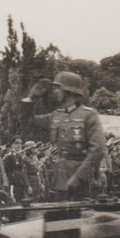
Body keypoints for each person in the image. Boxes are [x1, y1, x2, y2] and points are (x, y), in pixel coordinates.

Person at [22, 71, 106, 200]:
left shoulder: (88, 115)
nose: (55, 92)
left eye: (58, 88)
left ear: (69, 91)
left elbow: (97, 150)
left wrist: (78, 177)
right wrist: (30, 98)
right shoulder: (57, 115)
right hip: (60, 178)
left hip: (82, 180)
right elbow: (27, 120)